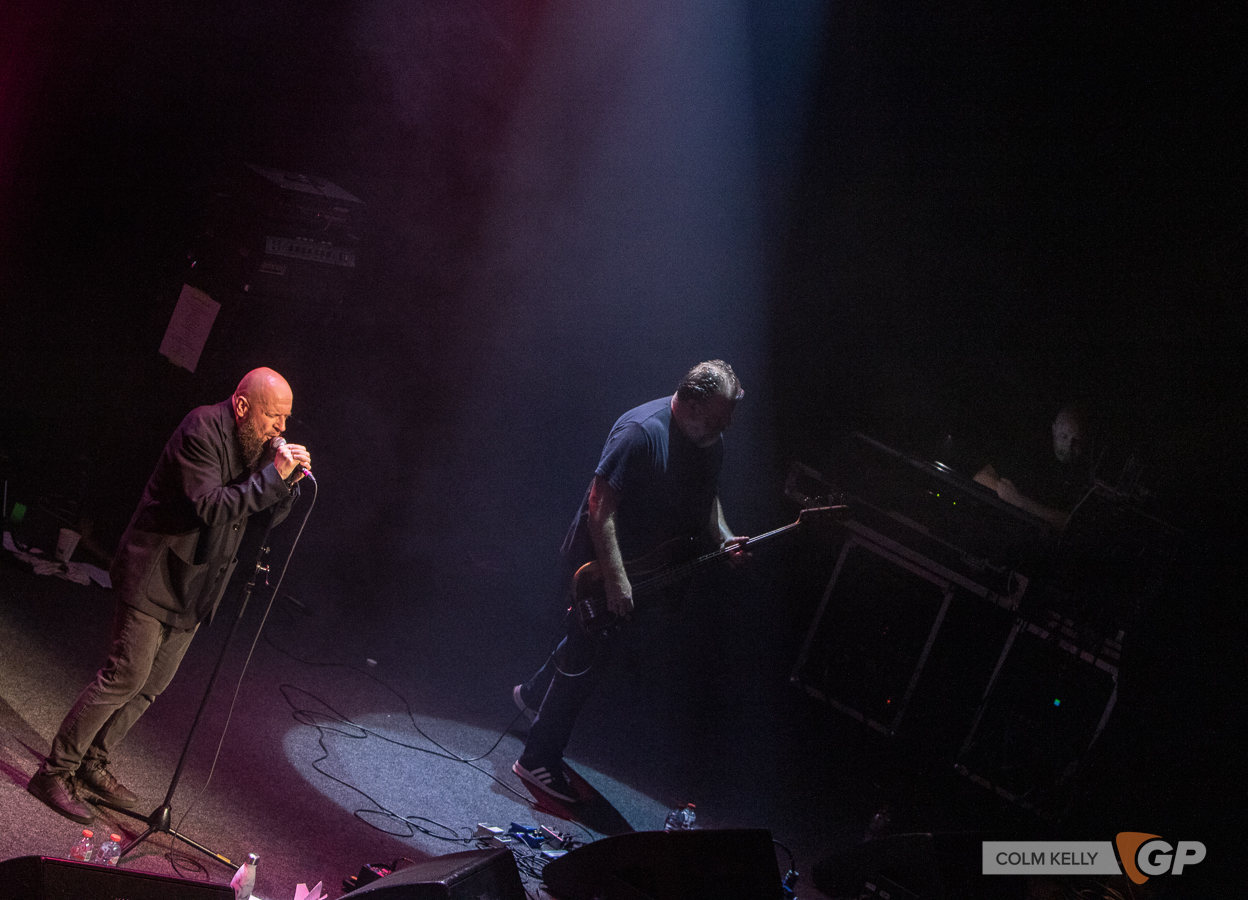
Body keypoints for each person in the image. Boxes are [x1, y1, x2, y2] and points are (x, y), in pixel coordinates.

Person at [27, 367, 311, 824]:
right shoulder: (200, 427)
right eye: (273, 417)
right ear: (242, 407)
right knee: (125, 677)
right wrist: (272, 479)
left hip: (196, 588)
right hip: (154, 574)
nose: (281, 429)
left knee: (150, 688)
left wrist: (286, 486)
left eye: (286, 419)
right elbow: (210, 505)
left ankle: (93, 764)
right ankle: (55, 771)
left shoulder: (255, 446)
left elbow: (260, 518)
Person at [511, 360, 748, 803]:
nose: (728, 424)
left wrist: (727, 537)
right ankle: (538, 758)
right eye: (721, 415)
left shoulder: (709, 441)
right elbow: (600, 508)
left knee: (587, 642)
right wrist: (618, 581)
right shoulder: (640, 432)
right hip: (598, 564)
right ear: (692, 404)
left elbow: (708, 495)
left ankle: (532, 693)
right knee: (587, 658)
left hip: (643, 567)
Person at [973, 403, 1092, 531]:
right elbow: (981, 477)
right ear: (1054, 430)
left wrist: (1019, 501)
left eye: (1076, 442)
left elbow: (1071, 525)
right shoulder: (1030, 453)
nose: (1069, 447)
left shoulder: (1085, 475)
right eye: (1064, 437)